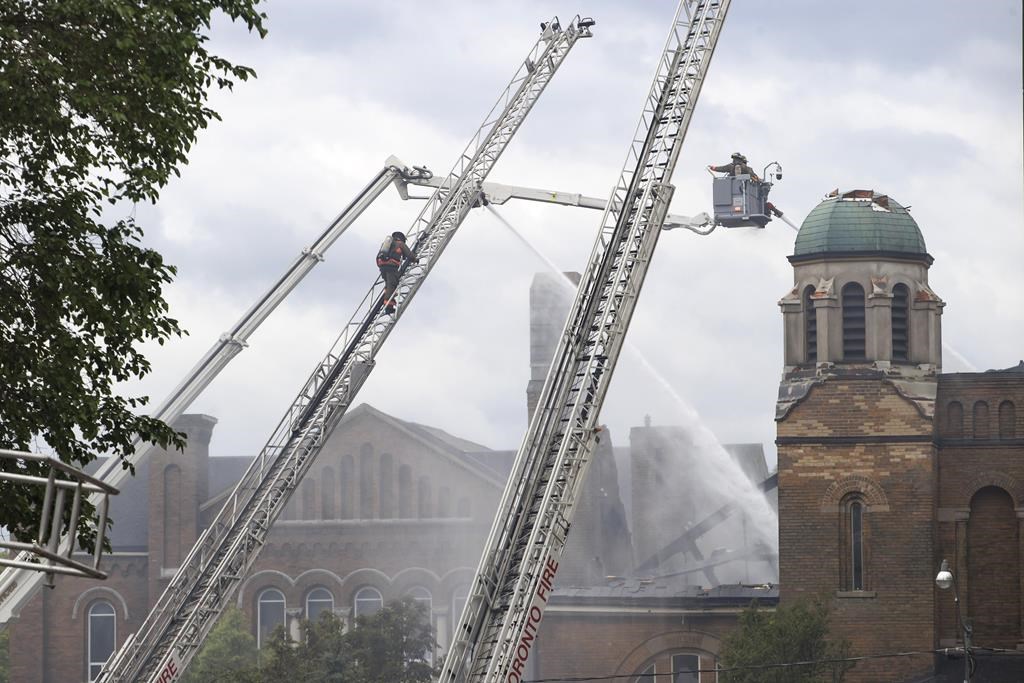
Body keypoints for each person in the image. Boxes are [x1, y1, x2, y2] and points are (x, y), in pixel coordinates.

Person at [376, 231, 418, 314]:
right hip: (391, 267)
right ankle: (388, 306)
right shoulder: (400, 244)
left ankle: (388, 303)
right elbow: (409, 255)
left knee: (388, 285)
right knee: (392, 285)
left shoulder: (387, 244)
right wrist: (415, 259)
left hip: (382, 267)